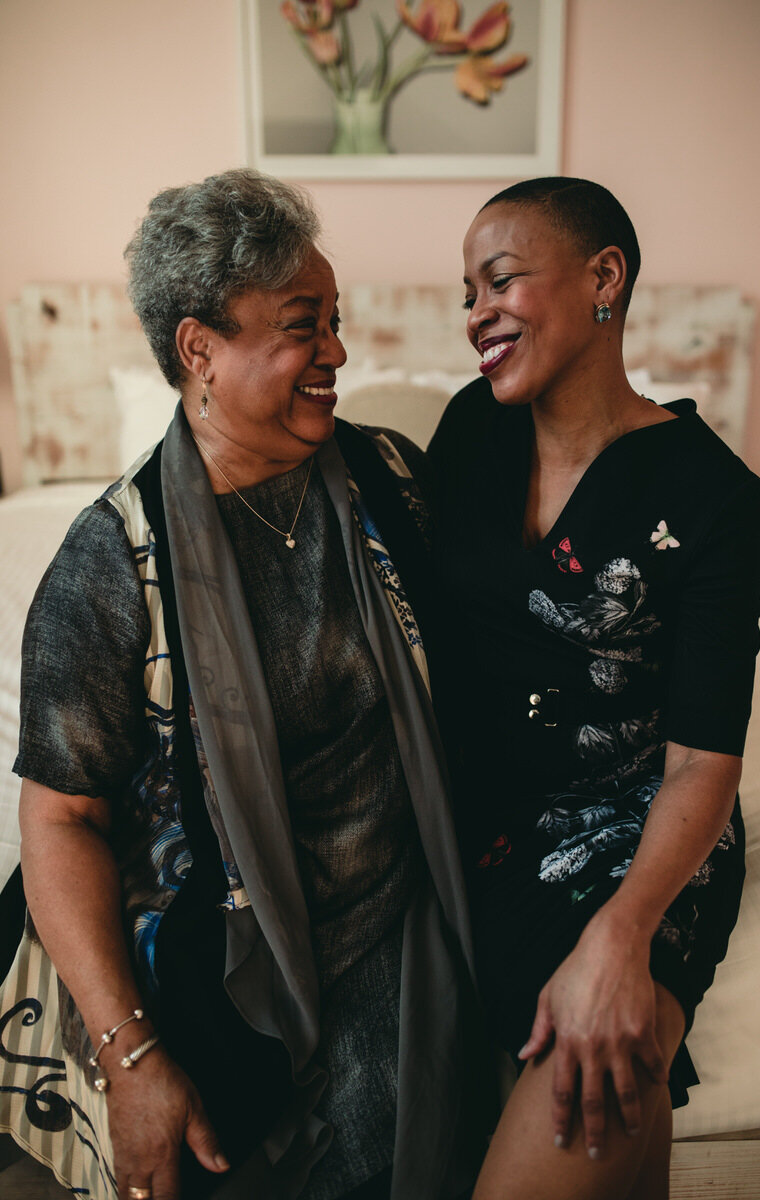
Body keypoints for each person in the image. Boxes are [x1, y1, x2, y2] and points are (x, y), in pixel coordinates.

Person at [0, 168, 493, 1200]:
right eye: (301, 328)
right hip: (211, 937)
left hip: (392, 908)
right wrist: (131, 1057)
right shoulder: (112, 563)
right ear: (198, 351)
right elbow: (58, 824)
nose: (337, 355)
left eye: (336, 322)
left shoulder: (392, 482)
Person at [426, 177, 760, 1200]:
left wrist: (621, 939)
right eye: (464, 294)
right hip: (484, 824)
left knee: (600, 1064)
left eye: (499, 281)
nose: (475, 312)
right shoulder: (467, 434)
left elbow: (702, 759)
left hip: (638, 825)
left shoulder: (709, 494)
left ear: (602, 278)